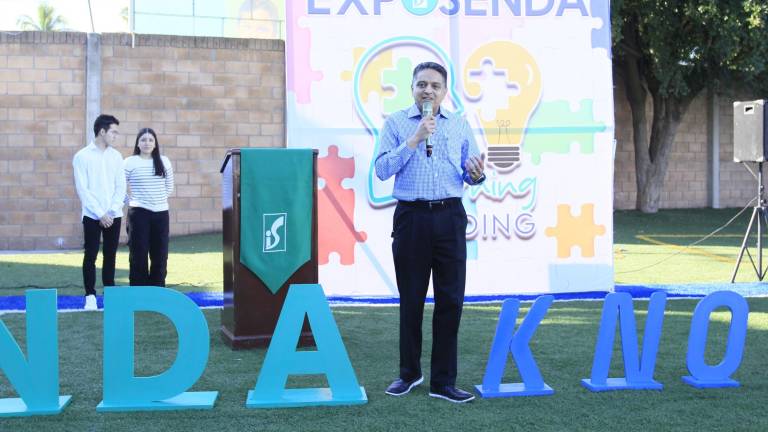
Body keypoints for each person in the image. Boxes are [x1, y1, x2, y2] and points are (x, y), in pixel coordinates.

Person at [375, 62, 486, 403]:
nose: (428, 90)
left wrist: (476, 174)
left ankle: (443, 382)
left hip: (450, 217)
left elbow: (470, 171)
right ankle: (409, 373)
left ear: (444, 91)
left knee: (450, 300)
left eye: (435, 86)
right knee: (411, 299)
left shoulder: (459, 124)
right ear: (412, 87)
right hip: (412, 218)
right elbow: (381, 170)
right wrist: (415, 139)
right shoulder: (396, 123)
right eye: (422, 84)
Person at [73, 114, 125, 311]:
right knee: (91, 255)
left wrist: (111, 212)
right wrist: (100, 213)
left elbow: (120, 187)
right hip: (92, 215)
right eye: (113, 132)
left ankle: (110, 293)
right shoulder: (82, 156)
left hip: (114, 214)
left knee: (110, 255)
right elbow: (83, 189)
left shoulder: (117, 156)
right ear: (102, 131)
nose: (116, 136)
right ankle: (90, 296)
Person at [124, 128, 175, 287]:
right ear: (138, 143)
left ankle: (157, 290)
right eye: (143, 140)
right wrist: (131, 201)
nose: (147, 143)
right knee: (138, 254)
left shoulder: (164, 161)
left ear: (155, 144)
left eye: (150, 140)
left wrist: (157, 201)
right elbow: (119, 187)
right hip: (138, 214)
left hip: (161, 214)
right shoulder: (129, 162)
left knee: (160, 254)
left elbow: (169, 187)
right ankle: (138, 291)